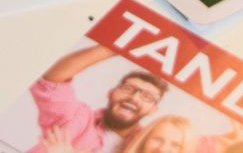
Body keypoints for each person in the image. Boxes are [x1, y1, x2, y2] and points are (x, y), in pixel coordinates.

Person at [29, 42, 166, 150]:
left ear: (153, 109)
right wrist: (114, 47)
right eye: (128, 89)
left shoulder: (149, 146)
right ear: (111, 93)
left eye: (147, 97)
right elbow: (52, 80)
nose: (134, 98)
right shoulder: (76, 118)